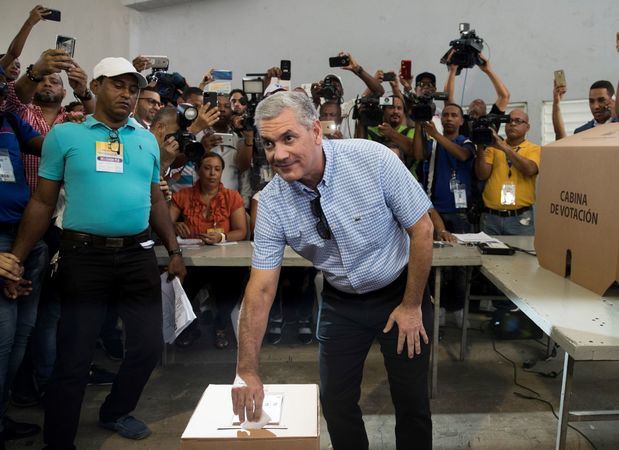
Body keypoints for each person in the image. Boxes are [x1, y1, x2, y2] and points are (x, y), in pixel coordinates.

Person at [232, 92, 434, 450]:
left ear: (316, 132)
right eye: (268, 143)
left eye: (288, 138)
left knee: (411, 402)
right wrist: (246, 369)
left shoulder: (372, 160)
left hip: (400, 295)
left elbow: (422, 228)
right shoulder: (272, 204)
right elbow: (261, 289)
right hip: (341, 305)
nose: (278, 154)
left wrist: (412, 306)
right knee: (336, 403)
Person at [7, 56, 186, 448]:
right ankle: (59, 441)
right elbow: (41, 202)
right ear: (98, 85)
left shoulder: (144, 140)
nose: (128, 94)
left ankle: (115, 410)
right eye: (119, 85)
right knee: (73, 357)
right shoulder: (67, 136)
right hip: (82, 257)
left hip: (138, 255)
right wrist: (18, 256)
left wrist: (174, 248)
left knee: (147, 347)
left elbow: (155, 198)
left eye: (134, 88)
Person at [0, 67, 48, 449]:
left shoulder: (10, 122)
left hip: (25, 238)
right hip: (2, 248)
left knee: (21, 334)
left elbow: (52, 147)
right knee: (3, 339)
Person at [169, 152, 247, 349]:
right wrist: (176, 225)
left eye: (217, 169)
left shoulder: (232, 196)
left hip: (224, 260)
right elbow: (164, 223)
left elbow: (241, 231)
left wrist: (221, 237)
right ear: (197, 170)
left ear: (221, 173)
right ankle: (190, 328)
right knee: (181, 288)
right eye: (207, 168)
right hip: (192, 260)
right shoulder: (183, 195)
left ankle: (220, 325)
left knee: (231, 286)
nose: (212, 173)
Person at [412, 103, 475, 325]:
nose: (449, 118)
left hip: (458, 212)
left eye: (454, 115)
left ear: (461, 121)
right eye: (445, 115)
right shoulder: (433, 141)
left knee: (458, 267)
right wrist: (421, 128)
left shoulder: (465, 141)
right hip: (432, 209)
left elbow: (463, 156)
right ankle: (434, 306)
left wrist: (436, 134)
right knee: (429, 263)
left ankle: (456, 308)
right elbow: (419, 154)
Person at [475, 109, 540, 235]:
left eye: (518, 121)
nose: (513, 124)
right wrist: (480, 146)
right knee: (487, 255)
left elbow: (530, 169)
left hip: (520, 218)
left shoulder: (534, 149)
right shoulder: (492, 147)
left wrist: (503, 147)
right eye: (509, 121)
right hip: (491, 217)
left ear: (528, 127)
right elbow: (482, 175)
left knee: (522, 254)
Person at [553, 80, 617, 139]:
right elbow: (562, 145)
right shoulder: (581, 132)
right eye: (591, 101)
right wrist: (556, 103)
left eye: (601, 100)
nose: (595, 106)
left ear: (613, 100)